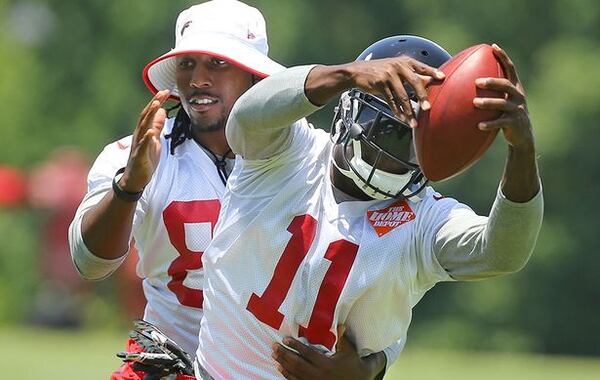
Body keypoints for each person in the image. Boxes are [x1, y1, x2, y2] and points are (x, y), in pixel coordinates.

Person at [68, 1, 391, 379]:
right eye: (187, 64)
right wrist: (129, 187)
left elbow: (386, 262)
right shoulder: (137, 154)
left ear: (255, 77)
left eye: (218, 63)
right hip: (171, 361)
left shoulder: (314, 160)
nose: (198, 80)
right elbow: (89, 263)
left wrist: (370, 367)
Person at [195, 35, 544, 379]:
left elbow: (503, 253)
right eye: (386, 130)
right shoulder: (289, 153)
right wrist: (345, 74)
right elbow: (246, 117)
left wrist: (522, 152)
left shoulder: (423, 220)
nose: (392, 154)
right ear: (350, 108)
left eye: (410, 139)